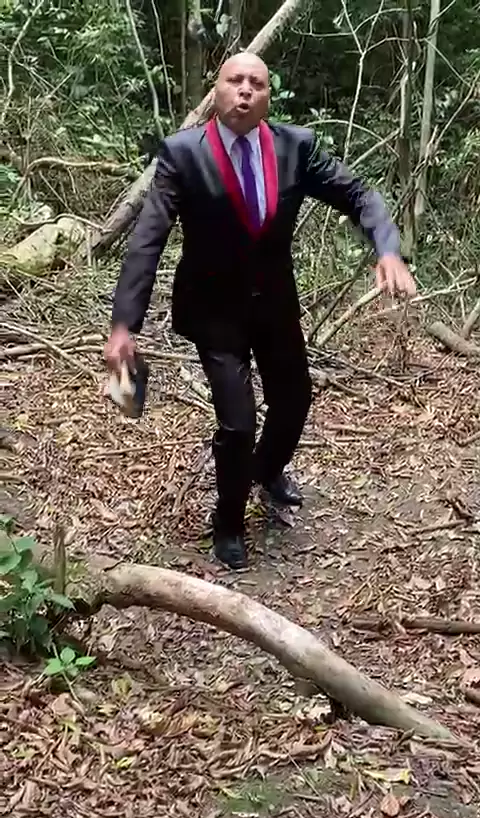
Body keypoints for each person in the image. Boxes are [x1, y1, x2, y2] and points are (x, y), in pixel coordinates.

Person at [104, 52, 416, 570]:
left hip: (275, 305)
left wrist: (386, 248)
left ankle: (266, 471)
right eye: (235, 80)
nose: (245, 90)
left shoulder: (295, 148)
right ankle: (228, 522)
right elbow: (147, 240)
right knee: (238, 424)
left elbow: (358, 193)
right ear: (216, 90)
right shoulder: (184, 154)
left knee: (294, 401)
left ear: (269, 96)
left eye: (257, 83)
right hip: (214, 313)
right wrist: (123, 325)